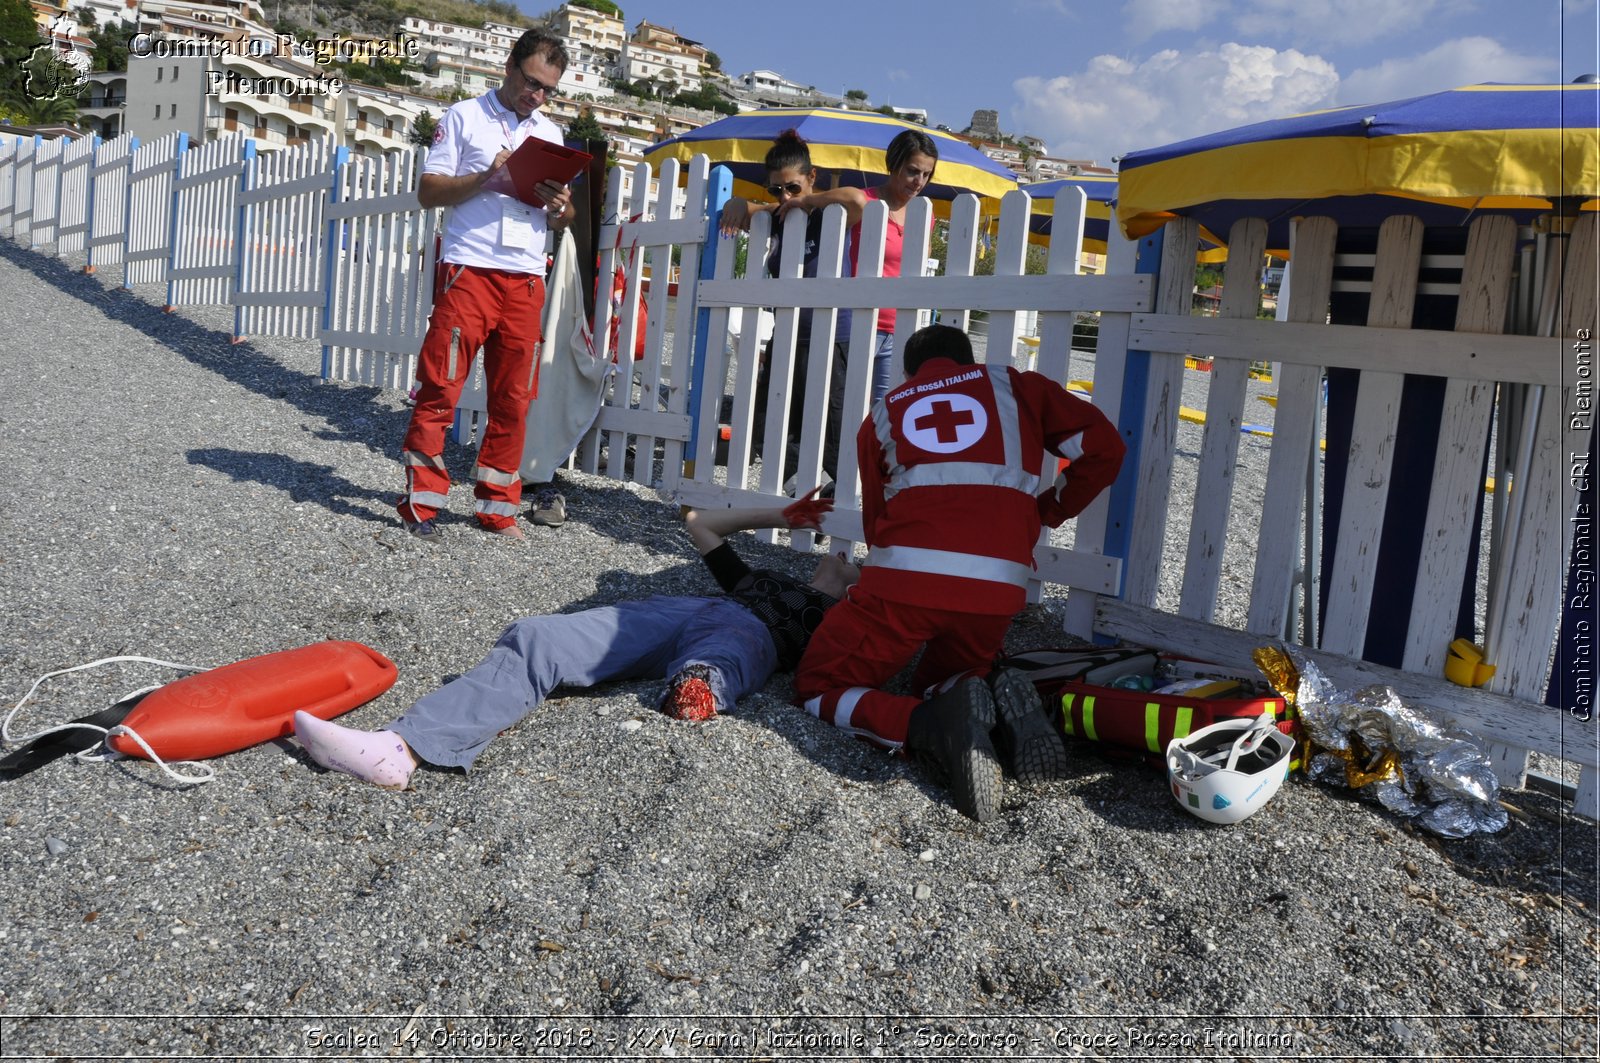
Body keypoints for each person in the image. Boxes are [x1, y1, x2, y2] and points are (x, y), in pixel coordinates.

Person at [294, 493, 859, 789]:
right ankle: (400, 748)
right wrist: (781, 514)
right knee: (539, 635)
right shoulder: (758, 578)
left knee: (720, 656)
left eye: (852, 559)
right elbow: (699, 524)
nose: (841, 555)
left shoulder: (844, 618)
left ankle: (699, 689)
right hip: (694, 607)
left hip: (753, 633)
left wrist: (860, 589)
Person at [793, 324, 1127, 822]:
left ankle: (929, 726)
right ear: (968, 360)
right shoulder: (1017, 386)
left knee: (818, 685)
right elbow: (1105, 449)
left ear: (907, 373)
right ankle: (977, 695)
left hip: (907, 583)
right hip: (997, 590)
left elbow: (878, 524)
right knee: (951, 675)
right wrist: (1047, 509)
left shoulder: (884, 414)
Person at [397, 30, 577, 543]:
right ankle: (422, 502)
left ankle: (497, 505)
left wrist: (561, 207)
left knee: (514, 398)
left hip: (525, 276)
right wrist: (486, 175)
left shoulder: (552, 134)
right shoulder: (463, 117)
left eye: (547, 89)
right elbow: (428, 192)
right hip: (469, 269)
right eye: (531, 82)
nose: (537, 96)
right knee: (441, 386)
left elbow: (566, 218)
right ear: (508, 66)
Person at [762, 129, 939, 403]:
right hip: (859, 324)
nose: (919, 181)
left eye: (926, 174)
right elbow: (772, 212)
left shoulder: (925, 216)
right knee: (849, 410)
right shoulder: (861, 201)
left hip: (901, 327)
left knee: (887, 412)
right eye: (912, 171)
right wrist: (804, 199)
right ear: (893, 164)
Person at [718, 130, 852, 488]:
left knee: (831, 430)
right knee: (770, 422)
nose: (784, 196)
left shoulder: (832, 213)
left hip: (832, 337)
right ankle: (801, 495)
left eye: (792, 187)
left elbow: (860, 202)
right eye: (776, 189)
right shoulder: (777, 217)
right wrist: (741, 202)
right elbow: (748, 212)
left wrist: (808, 202)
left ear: (812, 177)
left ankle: (832, 503)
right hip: (788, 335)